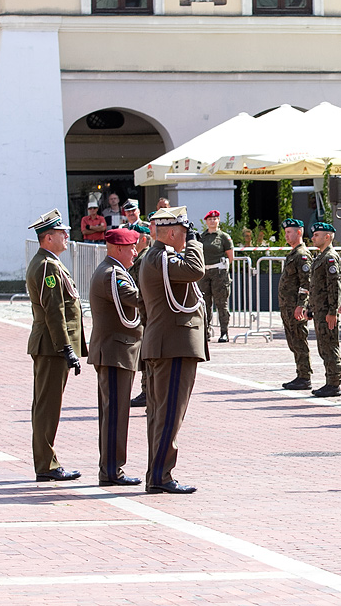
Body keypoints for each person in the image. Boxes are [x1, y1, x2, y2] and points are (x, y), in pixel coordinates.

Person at [138, 206, 207, 494]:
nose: (186, 238)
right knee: (168, 415)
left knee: (161, 414)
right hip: (173, 345)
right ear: (172, 233)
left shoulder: (157, 258)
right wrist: (194, 242)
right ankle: (160, 476)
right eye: (182, 232)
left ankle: (158, 473)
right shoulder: (162, 258)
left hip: (165, 343)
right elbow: (196, 270)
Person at [26, 209, 85, 482]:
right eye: (62, 233)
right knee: (47, 407)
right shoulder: (48, 266)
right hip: (51, 346)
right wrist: (66, 347)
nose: (66, 237)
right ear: (47, 238)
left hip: (51, 345)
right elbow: (54, 310)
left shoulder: (49, 262)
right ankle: (46, 465)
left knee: (45, 405)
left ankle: (46, 462)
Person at [87, 227, 143, 487]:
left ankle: (112, 468)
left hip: (117, 351)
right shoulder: (112, 274)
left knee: (115, 413)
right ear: (118, 248)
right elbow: (136, 300)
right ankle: (111, 471)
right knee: (115, 415)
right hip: (114, 352)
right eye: (131, 247)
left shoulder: (114, 271)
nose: (134, 251)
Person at [309, 222, 341, 398]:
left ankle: (334, 383)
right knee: (324, 346)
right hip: (319, 310)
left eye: (317, 235)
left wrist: (332, 311)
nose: (313, 238)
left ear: (327, 237)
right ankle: (329, 381)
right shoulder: (320, 256)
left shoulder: (330, 257)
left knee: (330, 346)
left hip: (326, 311)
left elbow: (334, 286)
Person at [278, 218, 313, 390]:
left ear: (299, 232)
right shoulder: (293, 254)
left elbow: (306, 282)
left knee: (299, 340)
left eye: (289, 232)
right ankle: (300, 374)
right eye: (285, 232)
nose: (286, 235)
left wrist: (302, 305)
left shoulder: (302, 255)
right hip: (288, 306)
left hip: (295, 307)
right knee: (293, 341)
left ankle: (304, 376)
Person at [198, 210, 234, 342]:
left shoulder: (223, 236)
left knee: (221, 303)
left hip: (219, 273)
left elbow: (230, 256)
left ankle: (224, 332)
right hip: (204, 273)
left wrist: (223, 268)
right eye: (210, 219)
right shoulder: (202, 237)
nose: (212, 221)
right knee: (204, 304)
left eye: (215, 219)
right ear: (206, 221)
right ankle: (205, 332)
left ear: (218, 221)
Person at [128, 224, 153, 409]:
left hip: (146, 313)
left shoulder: (145, 258)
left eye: (134, 239)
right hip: (142, 312)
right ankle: (147, 392)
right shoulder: (140, 258)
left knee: (147, 356)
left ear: (143, 239)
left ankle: (148, 393)